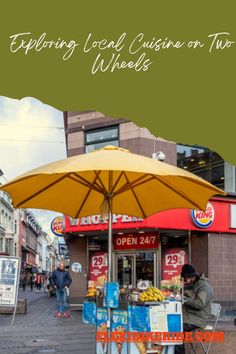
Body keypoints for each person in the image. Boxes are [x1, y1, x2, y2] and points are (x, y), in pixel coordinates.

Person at [175, 264, 213, 354]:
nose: (185, 281)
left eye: (185, 279)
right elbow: (186, 294)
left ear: (190, 277)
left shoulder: (204, 287)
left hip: (199, 318)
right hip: (190, 315)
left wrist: (183, 299)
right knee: (172, 323)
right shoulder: (193, 284)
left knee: (177, 329)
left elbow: (199, 304)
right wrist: (182, 291)